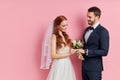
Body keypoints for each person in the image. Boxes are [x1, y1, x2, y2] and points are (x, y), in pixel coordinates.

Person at [78, 6, 109, 80]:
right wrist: (79, 50)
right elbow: (86, 44)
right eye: (87, 16)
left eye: (90, 17)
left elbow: (104, 51)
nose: (87, 19)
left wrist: (86, 51)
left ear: (97, 17)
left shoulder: (103, 31)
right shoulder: (87, 29)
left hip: (95, 68)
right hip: (84, 67)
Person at [40, 15, 76, 80]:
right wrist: (68, 54)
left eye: (67, 25)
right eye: (63, 26)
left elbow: (67, 49)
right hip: (59, 65)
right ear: (58, 26)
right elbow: (53, 55)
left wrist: (76, 48)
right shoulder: (54, 37)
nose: (66, 27)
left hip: (67, 64)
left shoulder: (65, 36)